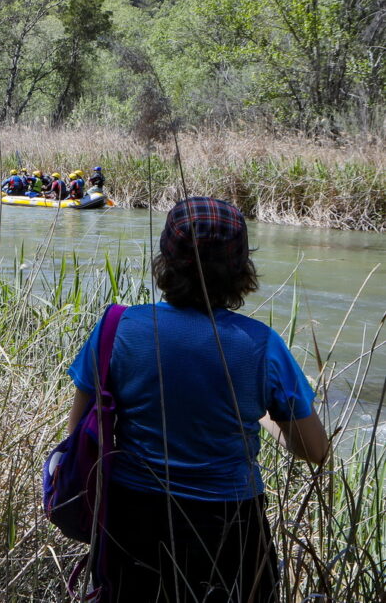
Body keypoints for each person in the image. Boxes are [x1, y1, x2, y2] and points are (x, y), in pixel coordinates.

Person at [66, 198, 328, 602]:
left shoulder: (116, 328)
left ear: (165, 261)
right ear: (241, 269)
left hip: (133, 519)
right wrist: (261, 416)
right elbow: (314, 451)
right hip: (229, 527)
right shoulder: (262, 345)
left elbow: (79, 433)